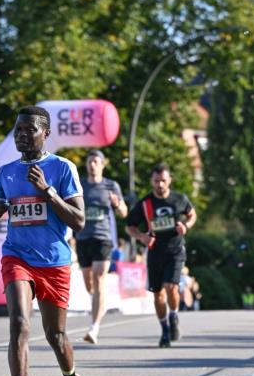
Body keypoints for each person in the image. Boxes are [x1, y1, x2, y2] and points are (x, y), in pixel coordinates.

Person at [0, 105, 87, 376]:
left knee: (56, 336)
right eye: (17, 130)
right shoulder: (6, 172)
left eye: (29, 129)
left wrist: (48, 191)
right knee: (18, 323)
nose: (21, 135)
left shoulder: (62, 168)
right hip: (17, 255)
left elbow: (79, 220)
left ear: (46, 133)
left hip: (54, 261)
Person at [126, 162, 196, 347]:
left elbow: (192, 214)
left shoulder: (179, 199)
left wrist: (186, 226)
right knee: (157, 294)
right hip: (155, 252)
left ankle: (174, 315)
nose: (160, 185)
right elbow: (129, 226)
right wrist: (141, 236)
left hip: (175, 250)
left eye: (163, 181)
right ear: (152, 181)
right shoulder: (145, 203)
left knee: (171, 286)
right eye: (157, 181)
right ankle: (164, 328)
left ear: (169, 180)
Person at [75, 149, 127, 344]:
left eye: (96, 161)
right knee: (89, 284)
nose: (93, 164)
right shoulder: (79, 185)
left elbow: (123, 212)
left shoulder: (111, 186)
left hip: (103, 238)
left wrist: (117, 203)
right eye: (90, 161)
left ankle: (94, 328)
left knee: (98, 279)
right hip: (83, 238)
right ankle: (99, 302)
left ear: (103, 165)